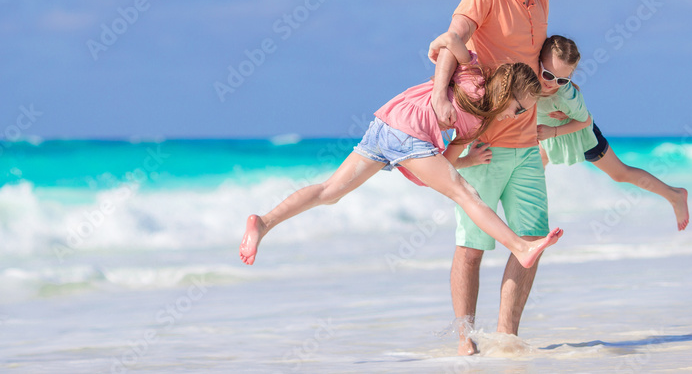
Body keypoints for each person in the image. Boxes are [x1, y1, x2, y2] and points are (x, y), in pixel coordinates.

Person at [239, 43, 564, 269]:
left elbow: (438, 170)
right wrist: (440, 92)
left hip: (387, 124)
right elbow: (450, 42)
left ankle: (263, 222)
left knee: (330, 192)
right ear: (506, 92)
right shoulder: (473, 77)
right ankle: (520, 247)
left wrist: (466, 161)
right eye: (517, 107)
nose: (516, 115)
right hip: (408, 133)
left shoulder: (475, 126)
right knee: (466, 194)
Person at [427, 0, 557, 356]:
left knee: (531, 243)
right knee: (472, 247)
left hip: (527, 144)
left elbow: (531, 69)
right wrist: (439, 95)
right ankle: (465, 339)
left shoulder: (540, 3)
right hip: (483, 144)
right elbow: (454, 40)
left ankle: (506, 337)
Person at [535, 34, 689, 230]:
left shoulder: (566, 96)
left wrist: (554, 131)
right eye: (548, 75)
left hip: (581, 137)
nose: (552, 83)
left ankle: (674, 195)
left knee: (620, 174)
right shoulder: (529, 79)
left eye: (562, 80)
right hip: (551, 135)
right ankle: (534, 216)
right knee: (538, 164)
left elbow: (585, 121)